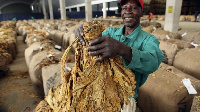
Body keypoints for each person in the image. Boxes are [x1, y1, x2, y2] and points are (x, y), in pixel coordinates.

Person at [76, 0, 163, 111]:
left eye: (134, 8)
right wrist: (83, 31)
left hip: (125, 100)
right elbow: (91, 43)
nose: (128, 11)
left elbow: (153, 62)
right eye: (124, 8)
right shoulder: (111, 33)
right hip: (99, 93)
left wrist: (123, 49)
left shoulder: (148, 40)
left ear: (142, 12)